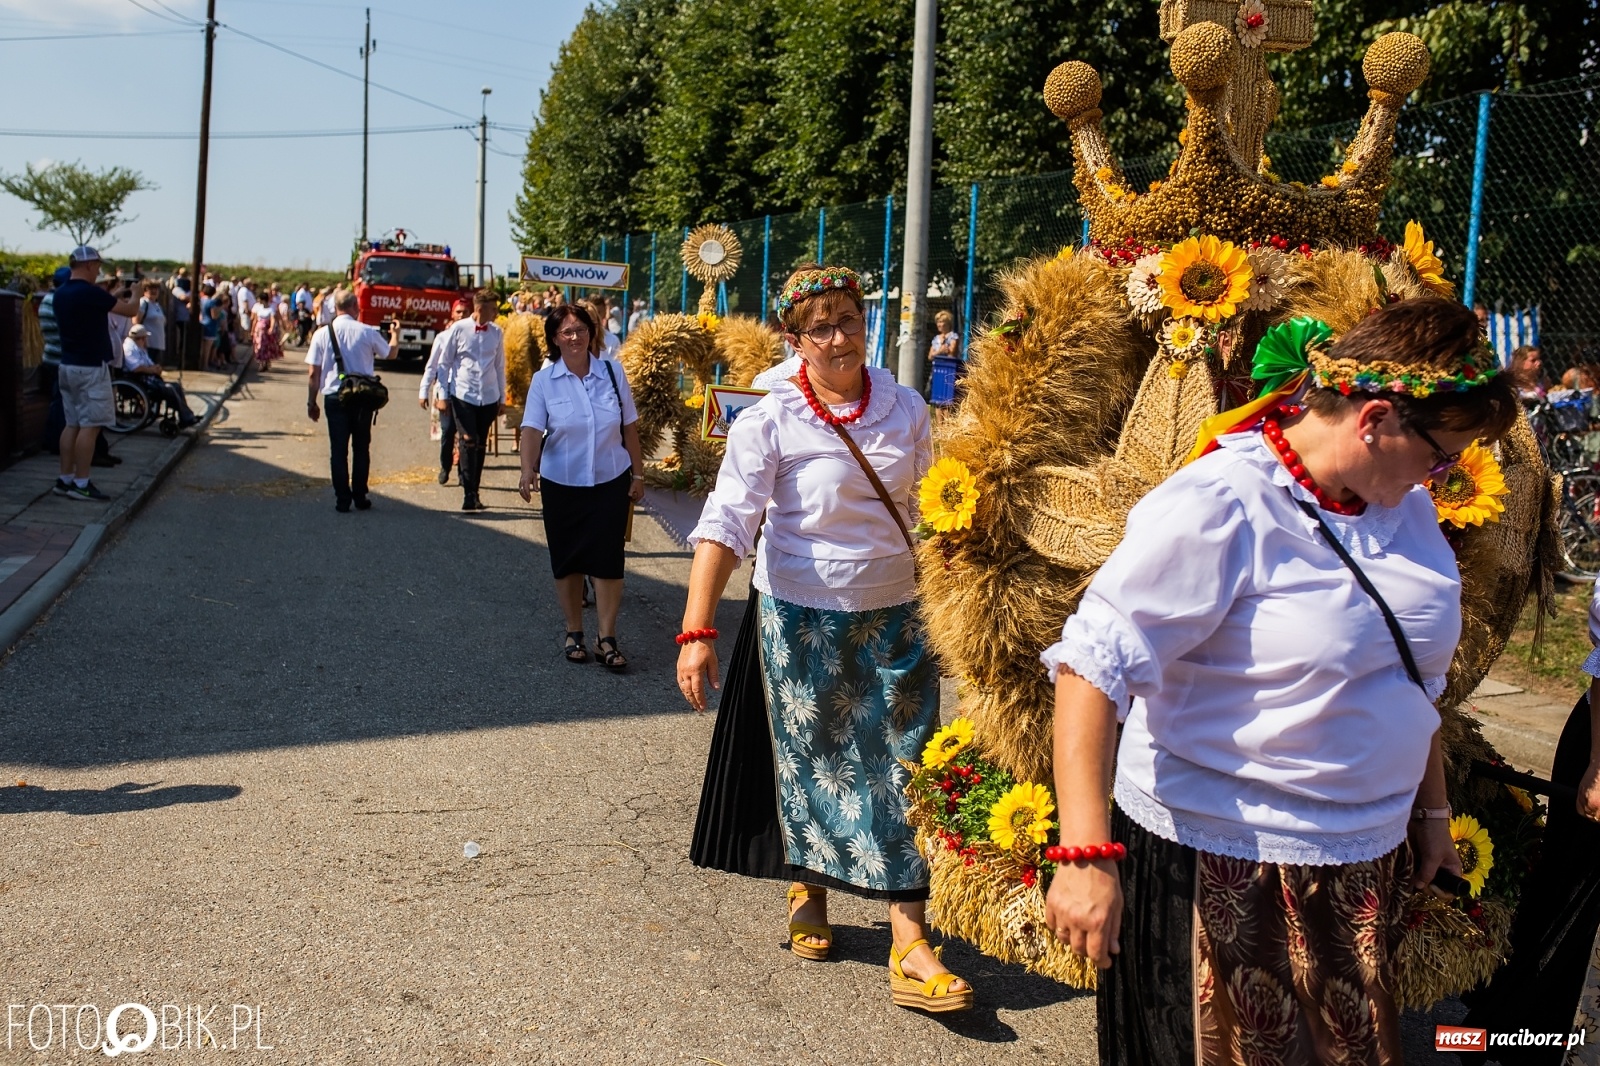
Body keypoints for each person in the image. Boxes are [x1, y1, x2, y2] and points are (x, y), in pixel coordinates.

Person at [1041, 298, 1519, 1064]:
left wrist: (1432, 814)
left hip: (1361, 860)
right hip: (1228, 866)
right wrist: (1085, 857)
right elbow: (1091, 666)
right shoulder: (1223, 503)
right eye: (1440, 453)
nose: (1445, 473)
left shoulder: (1407, 509)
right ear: (1374, 421)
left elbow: (1409, 683)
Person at [675, 265, 972, 1014]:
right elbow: (726, 524)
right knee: (816, 763)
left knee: (908, 768)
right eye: (821, 326)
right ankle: (808, 886)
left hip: (899, 617)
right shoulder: (769, 418)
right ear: (793, 338)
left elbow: (937, 508)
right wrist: (697, 629)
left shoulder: (905, 409)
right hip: (801, 619)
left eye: (848, 318)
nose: (840, 337)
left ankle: (910, 940)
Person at [517, 303, 646, 671]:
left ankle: (607, 637)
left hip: (610, 479)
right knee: (568, 559)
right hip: (562, 483)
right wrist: (528, 469)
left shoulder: (612, 371)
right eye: (566, 332)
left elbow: (629, 429)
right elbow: (530, 430)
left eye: (581, 330)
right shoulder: (545, 381)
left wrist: (638, 475)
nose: (575, 337)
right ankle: (574, 630)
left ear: (592, 333)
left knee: (608, 560)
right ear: (555, 340)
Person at [51, 246, 140, 501]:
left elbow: (99, 304)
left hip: (68, 365)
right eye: (98, 266)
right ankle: (82, 482)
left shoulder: (61, 294)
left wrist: (115, 294)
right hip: (91, 368)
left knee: (72, 424)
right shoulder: (91, 294)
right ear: (89, 265)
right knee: (90, 427)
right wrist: (135, 294)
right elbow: (131, 310)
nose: (99, 271)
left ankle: (65, 478)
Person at [305, 290, 400, 513]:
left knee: (338, 449)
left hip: (333, 396)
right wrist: (395, 333)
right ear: (355, 307)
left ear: (335, 308)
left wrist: (311, 402)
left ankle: (342, 499)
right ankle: (360, 495)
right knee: (361, 447)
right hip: (362, 396)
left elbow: (313, 373)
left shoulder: (321, 334)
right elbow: (391, 354)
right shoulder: (367, 331)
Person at [434, 290, 507, 510]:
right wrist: (443, 395)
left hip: (488, 396)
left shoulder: (497, 332)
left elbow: (500, 366)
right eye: (493, 308)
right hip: (463, 393)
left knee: (481, 443)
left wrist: (502, 398)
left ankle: (475, 492)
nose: (496, 312)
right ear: (479, 308)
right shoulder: (458, 329)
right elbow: (444, 364)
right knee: (468, 440)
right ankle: (467, 494)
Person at [420, 298, 472, 485]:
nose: (461, 315)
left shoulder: (473, 335)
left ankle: (463, 474)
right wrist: (423, 390)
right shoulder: (443, 337)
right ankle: (445, 465)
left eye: (465, 312)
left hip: (465, 391)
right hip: (446, 391)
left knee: (465, 435)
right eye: (458, 312)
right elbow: (433, 366)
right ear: (452, 314)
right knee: (448, 431)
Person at [121, 324, 198, 428]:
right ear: (141, 338)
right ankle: (186, 417)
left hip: (149, 378)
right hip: (139, 380)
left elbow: (149, 362)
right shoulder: (129, 348)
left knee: (176, 386)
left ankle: (186, 416)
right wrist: (151, 370)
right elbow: (135, 368)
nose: (146, 340)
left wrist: (155, 367)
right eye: (145, 338)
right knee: (169, 389)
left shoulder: (140, 348)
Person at [134, 279, 167, 367]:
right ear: (144, 290)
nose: (154, 291)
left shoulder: (156, 305)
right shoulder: (143, 303)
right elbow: (136, 321)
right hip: (148, 344)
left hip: (158, 344)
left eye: (156, 288)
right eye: (150, 288)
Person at [252, 290, 284, 371]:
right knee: (259, 346)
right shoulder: (258, 308)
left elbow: (272, 319)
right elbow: (255, 320)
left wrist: (271, 328)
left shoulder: (270, 309)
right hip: (258, 331)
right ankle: (261, 363)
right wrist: (252, 330)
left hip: (265, 331)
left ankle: (265, 362)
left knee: (265, 347)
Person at [199, 283, 221, 369]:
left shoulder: (202, 300)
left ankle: (201, 363)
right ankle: (205, 365)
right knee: (207, 347)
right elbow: (214, 316)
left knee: (202, 346)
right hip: (210, 325)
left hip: (202, 322)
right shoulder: (212, 302)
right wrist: (219, 310)